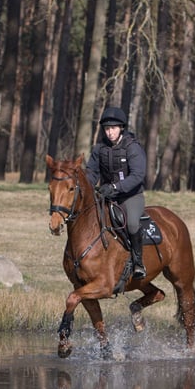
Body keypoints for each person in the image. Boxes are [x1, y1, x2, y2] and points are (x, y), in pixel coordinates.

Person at [85, 106, 147, 279]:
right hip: (105, 196)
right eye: (106, 129)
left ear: (121, 128)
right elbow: (92, 173)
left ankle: (138, 263)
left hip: (131, 196)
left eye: (113, 128)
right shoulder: (99, 149)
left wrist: (114, 188)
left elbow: (137, 176)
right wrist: (86, 185)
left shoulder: (132, 148)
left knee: (133, 224)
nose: (109, 132)